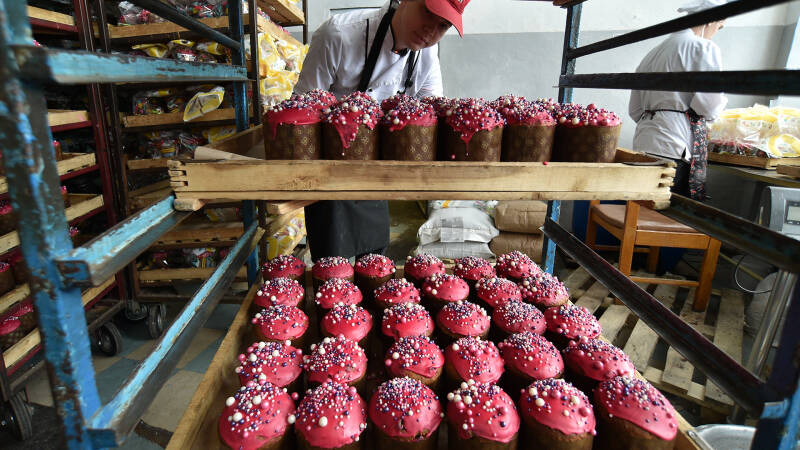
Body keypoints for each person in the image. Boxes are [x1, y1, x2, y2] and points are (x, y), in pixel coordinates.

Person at [293, 0, 470, 261]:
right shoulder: (338, 35)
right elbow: (304, 109)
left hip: (377, 173)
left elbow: (431, 110)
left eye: (443, 25)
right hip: (331, 171)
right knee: (331, 261)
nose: (431, 30)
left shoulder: (426, 53)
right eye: (428, 12)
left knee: (375, 259)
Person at [628, 0, 729, 201]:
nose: (716, 32)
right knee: (667, 211)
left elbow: (635, 110)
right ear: (711, 21)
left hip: (644, 142)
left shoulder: (653, 53)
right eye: (719, 27)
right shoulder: (703, 47)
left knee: (641, 208)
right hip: (674, 145)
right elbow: (709, 106)